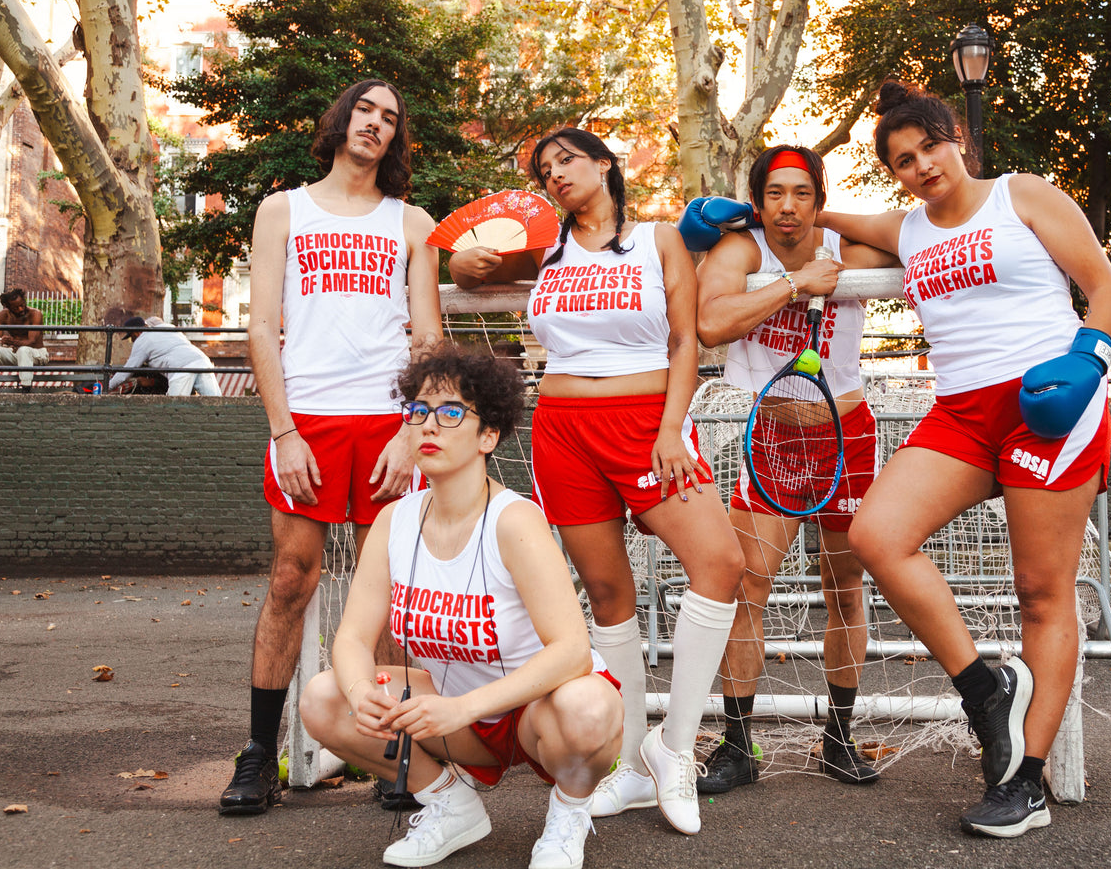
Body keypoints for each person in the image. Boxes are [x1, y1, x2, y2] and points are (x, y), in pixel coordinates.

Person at [814, 79, 1111, 839]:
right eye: (902, 161)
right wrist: (767, 209)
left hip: (1049, 398)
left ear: (956, 138)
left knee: (1040, 593)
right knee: (874, 536)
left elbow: (1106, 286)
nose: (921, 167)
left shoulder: (1022, 195)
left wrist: (1090, 358)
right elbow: (815, 221)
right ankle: (985, 692)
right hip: (960, 412)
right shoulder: (908, 229)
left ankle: (1025, 780)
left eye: (929, 148)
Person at [448, 128, 743, 836]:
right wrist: (460, 257)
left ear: (604, 165)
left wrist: (673, 428)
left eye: (567, 161)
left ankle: (672, 748)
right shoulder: (543, 251)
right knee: (608, 595)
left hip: (648, 424)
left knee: (720, 563)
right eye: (544, 171)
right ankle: (631, 771)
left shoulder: (658, 240)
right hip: (564, 431)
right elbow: (467, 277)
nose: (555, 176)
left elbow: (684, 340)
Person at [300, 342, 623, 869]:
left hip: (536, 713)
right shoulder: (394, 523)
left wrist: (463, 707)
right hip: (456, 718)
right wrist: (362, 695)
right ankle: (450, 804)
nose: (428, 426)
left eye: (451, 413)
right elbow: (354, 638)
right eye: (418, 412)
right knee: (323, 697)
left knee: (587, 708)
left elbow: (572, 653)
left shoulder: (514, 521)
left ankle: (569, 815)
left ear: (488, 436)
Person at [219, 79, 442, 815]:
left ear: (396, 139)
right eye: (365, 110)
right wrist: (282, 430)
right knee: (292, 578)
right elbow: (260, 329)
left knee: (391, 599)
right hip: (306, 420)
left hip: (387, 427)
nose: (375, 124)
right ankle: (259, 756)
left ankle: (396, 755)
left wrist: (415, 429)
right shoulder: (283, 209)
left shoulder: (412, 223)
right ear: (340, 119)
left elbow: (429, 339)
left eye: (390, 119)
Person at [688, 145, 897, 791]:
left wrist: (833, 236)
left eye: (802, 192)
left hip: (846, 437)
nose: (788, 206)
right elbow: (711, 323)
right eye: (774, 193)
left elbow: (908, 237)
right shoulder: (743, 251)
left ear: (820, 199)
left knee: (845, 590)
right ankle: (739, 745)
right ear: (757, 202)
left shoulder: (845, 245)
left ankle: (837, 737)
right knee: (747, 588)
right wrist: (797, 284)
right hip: (772, 438)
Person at [108, 316, 222, 396]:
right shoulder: (169, 328)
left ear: (136, 333)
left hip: (180, 368)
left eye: (131, 337)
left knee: (174, 409)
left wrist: (107, 386)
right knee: (216, 404)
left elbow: (126, 371)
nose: (132, 341)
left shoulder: (142, 340)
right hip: (201, 360)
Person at [0, 288, 48, 392]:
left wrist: (11, 342)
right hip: (16, 353)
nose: (20, 309)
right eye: (16, 308)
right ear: (8, 307)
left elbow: (31, 341)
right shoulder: (2, 316)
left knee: (23, 350)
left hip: (37, 354)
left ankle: (26, 391)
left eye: (22, 305)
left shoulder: (35, 314)